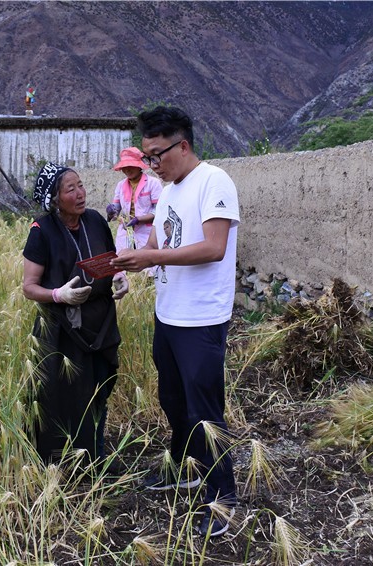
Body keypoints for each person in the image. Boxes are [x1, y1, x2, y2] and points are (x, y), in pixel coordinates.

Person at [110, 106, 240, 537]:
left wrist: (151, 255)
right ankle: (185, 468)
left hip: (201, 318)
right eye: (146, 157)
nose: (151, 165)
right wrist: (128, 263)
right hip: (168, 313)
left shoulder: (214, 181)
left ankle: (222, 497)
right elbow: (155, 243)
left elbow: (214, 247)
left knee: (205, 411)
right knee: (173, 399)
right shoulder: (168, 191)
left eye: (156, 155)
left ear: (182, 146)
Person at [22, 162, 129, 466]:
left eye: (80, 185)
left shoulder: (94, 221)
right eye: (71, 189)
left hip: (100, 322)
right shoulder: (42, 231)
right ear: (55, 199)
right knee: (60, 397)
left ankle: (95, 457)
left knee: (98, 392)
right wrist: (59, 295)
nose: (81, 193)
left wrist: (118, 276)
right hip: (61, 330)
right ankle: (58, 463)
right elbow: (29, 287)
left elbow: (109, 260)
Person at [105, 146, 162, 253]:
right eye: (124, 166)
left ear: (139, 166)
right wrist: (112, 210)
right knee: (124, 259)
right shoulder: (121, 185)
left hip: (147, 233)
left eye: (130, 165)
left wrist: (139, 219)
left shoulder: (153, 183)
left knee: (146, 261)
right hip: (125, 232)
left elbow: (159, 211)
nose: (127, 169)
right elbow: (116, 208)